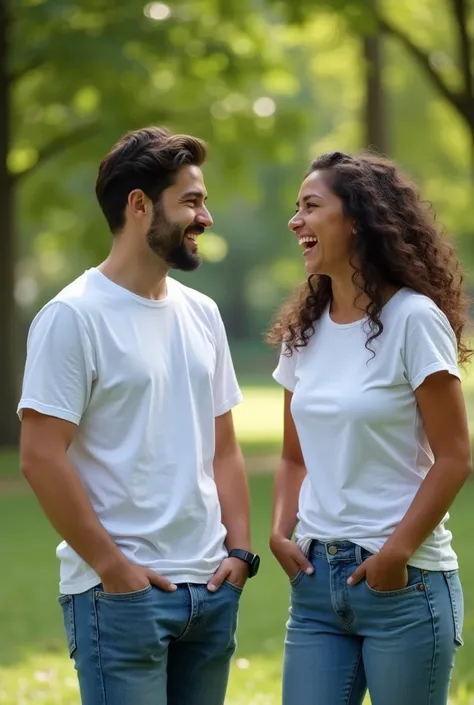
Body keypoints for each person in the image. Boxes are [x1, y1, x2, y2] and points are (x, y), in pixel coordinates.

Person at [17, 126, 260, 705]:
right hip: (118, 597)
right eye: (193, 201)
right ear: (139, 204)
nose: (206, 217)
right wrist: (112, 568)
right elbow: (40, 457)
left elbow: (223, 447)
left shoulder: (203, 314)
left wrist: (240, 553)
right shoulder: (73, 317)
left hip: (210, 589)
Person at [267, 150, 471, 705]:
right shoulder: (302, 331)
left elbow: (456, 456)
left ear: (356, 219)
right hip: (314, 586)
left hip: (403, 586)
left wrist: (396, 553)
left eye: (311, 207)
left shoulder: (414, 319)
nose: (296, 221)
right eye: (295, 209)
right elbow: (293, 456)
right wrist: (280, 533)